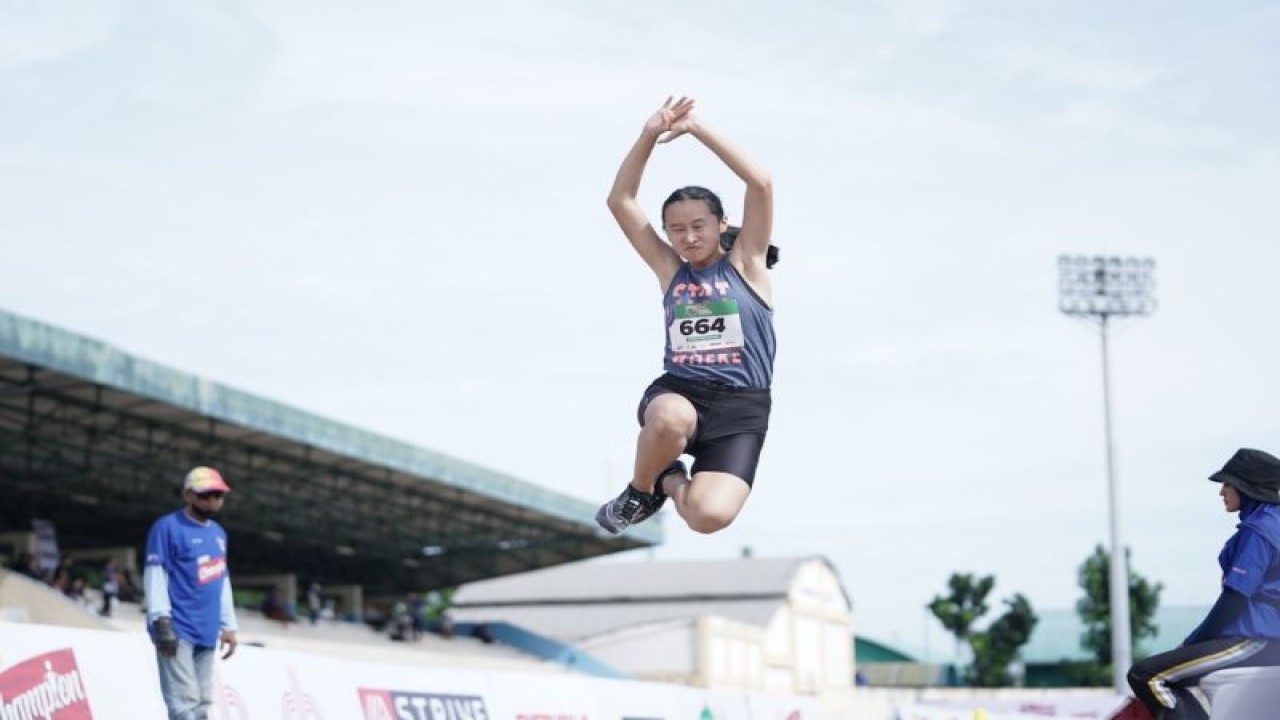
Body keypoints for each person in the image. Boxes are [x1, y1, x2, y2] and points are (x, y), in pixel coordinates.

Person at [595, 96, 778, 536]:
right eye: (677, 229)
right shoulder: (669, 271)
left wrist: (697, 129)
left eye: (699, 225)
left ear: (720, 224)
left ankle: (667, 477)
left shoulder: (746, 265)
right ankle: (640, 491)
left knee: (707, 516)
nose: (689, 237)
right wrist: (648, 136)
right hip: (681, 392)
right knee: (670, 419)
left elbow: (762, 184)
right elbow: (620, 200)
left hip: (741, 408)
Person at [1126, 448, 1280, 719]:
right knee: (1179, 678)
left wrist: (1193, 642)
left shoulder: (1258, 531)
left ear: (1247, 488)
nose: (1221, 492)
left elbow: (1234, 600)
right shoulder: (1272, 523)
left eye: (1227, 484)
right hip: (1263, 637)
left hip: (1255, 637)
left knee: (1146, 675)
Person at [144, 466, 240, 720]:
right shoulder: (167, 527)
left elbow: (222, 580)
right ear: (187, 495)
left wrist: (228, 625)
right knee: (183, 703)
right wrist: (160, 619)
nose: (213, 500)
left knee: (202, 703)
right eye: (206, 495)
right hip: (177, 627)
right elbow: (156, 573)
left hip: (206, 630)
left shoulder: (219, 534)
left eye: (218, 495)